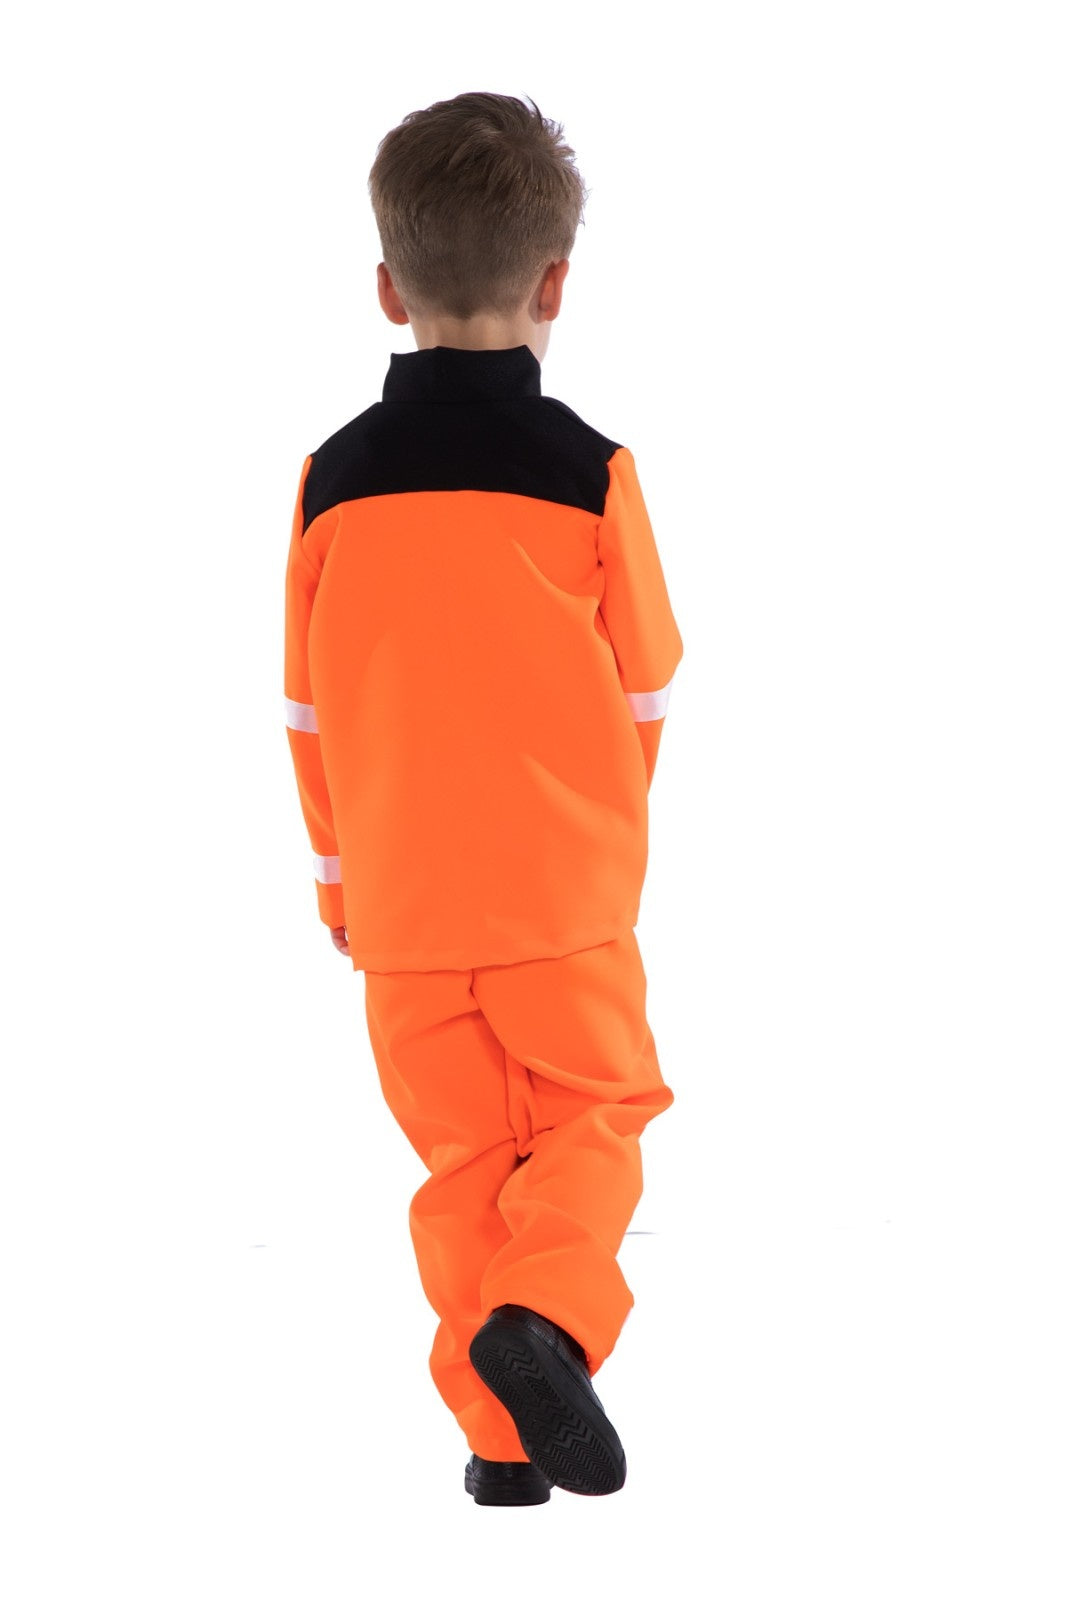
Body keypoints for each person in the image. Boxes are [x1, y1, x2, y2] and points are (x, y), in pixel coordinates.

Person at [283, 91, 684, 1505]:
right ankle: (546, 1320)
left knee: (463, 1159)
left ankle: (502, 1451)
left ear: (388, 289)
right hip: (561, 898)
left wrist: (343, 891)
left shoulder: (332, 483)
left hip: (401, 908)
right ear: (555, 283)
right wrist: (601, 852)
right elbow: (647, 683)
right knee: (598, 1116)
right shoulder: (591, 474)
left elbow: (307, 710)